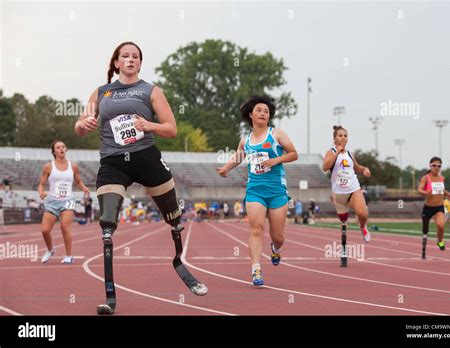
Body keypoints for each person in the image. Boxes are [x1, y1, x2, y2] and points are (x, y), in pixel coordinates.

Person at [74, 41, 207, 314]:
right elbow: (79, 126)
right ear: (116, 63)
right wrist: (82, 124)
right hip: (113, 162)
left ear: (140, 63)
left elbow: (171, 129)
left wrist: (149, 125)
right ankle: (110, 296)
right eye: (126, 56)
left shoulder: (151, 91)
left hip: (146, 158)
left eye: (136, 56)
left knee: (174, 217)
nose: (131, 60)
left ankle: (179, 261)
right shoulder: (101, 93)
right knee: (107, 223)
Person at [216, 95, 298, 286]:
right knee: (256, 228)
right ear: (251, 115)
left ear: (269, 117)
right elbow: (239, 156)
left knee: (278, 236)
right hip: (255, 190)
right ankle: (256, 269)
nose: (263, 113)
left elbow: (294, 154)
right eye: (259, 110)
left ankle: (275, 248)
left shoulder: (276, 134)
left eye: (266, 111)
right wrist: (225, 168)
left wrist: (276, 160)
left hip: (277, 191)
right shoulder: (246, 140)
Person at [322, 126, 371, 266]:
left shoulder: (350, 154)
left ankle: (363, 226)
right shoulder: (330, 152)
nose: (343, 138)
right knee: (343, 222)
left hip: (353, 189)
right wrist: (337, 153)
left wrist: (364, 170)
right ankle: (343, 253)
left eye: (345, 136)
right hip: (339, 195)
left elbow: (357, 167)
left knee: (363, 213)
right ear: (335, 139)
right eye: (340, 135)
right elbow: (325, 167)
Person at [38, 140, 89, 264]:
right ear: (54, 151)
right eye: (58, 147)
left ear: (66, 149)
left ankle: (68, 255)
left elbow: (78, 182)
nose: (61, 149)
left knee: (64, 226)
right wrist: (41, 192)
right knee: (45, 230)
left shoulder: (73, 166)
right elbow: (41, 184)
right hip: (52, 200)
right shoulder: (48, 166)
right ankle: (50, 250)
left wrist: (84, 188)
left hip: (68, 200)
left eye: (63, 147)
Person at [418, 157, 450, 258]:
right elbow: (419, 189)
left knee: (441, 225)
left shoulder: (442, 178)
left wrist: (447, 193)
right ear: (430, 166)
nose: (436, 168)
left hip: (439, 207)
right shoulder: (426, 178)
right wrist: (425, 192)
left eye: (439, 166)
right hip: (428, 208)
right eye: (434, 165)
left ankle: (440, 241)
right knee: (425, 231)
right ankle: (423, 248)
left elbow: (442, 189)